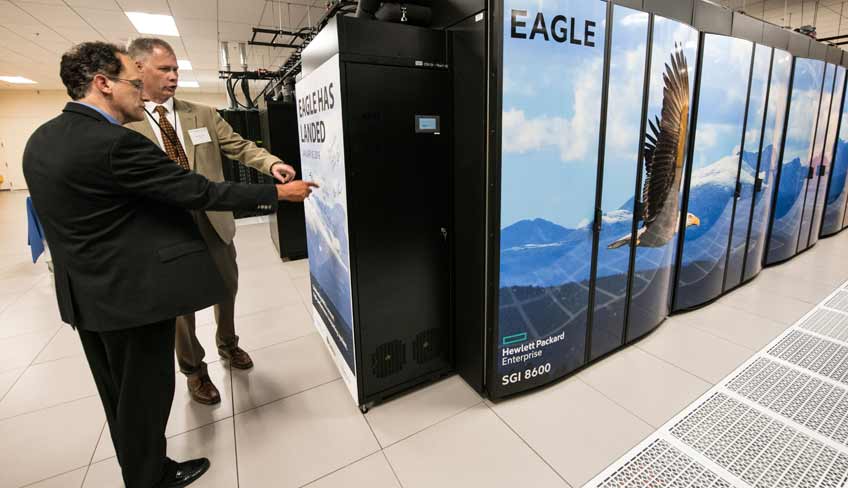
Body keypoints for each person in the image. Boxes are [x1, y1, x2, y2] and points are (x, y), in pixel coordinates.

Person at [23, 42, 317, 487]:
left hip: (88, 295)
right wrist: (277, 195)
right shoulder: (116, 141)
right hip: (132, 293)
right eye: (133, 81)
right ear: (104, 83)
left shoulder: (41, 140)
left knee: (119, 395)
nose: (140, 91)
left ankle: (142, 467)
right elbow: (198, 190)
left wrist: (270, 165)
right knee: (145, 393)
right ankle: (152, 472)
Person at [125, 38, 295, 405]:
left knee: (226, 287)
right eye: (164, 70)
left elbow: (239, 146)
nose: (173, 77)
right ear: (138, 69)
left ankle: (228, 345)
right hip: (164, 227)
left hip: (212, 219)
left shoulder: (201, 113)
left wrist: (271, 164)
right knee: (179, 305)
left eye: (176, 70)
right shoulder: (127, 122)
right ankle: (193, 369)